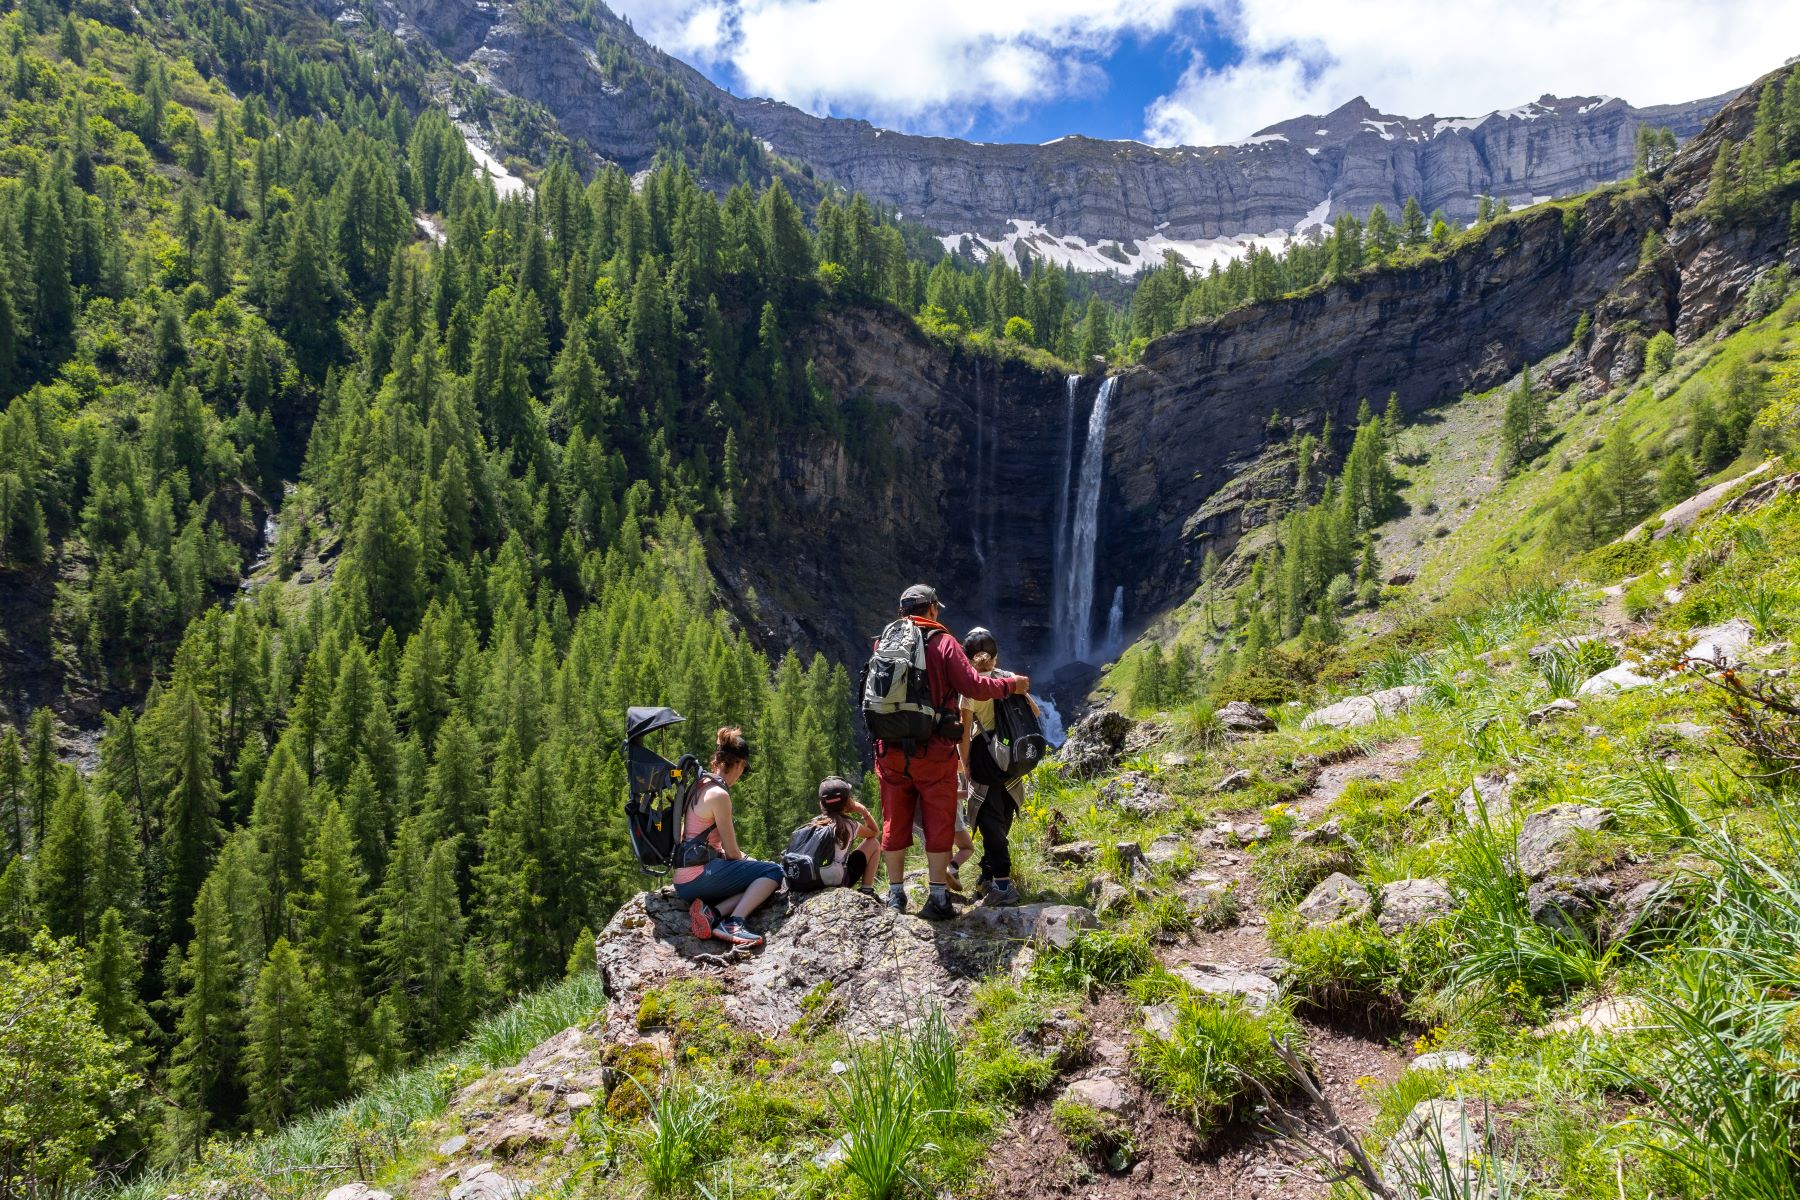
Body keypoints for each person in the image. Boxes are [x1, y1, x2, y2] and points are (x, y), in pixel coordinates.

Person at [875, 584, 1029, 921]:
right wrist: (1010, 685)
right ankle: (939, 898)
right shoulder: (942, 642)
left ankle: (896, 895)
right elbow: (974, 685)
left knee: (894, 821)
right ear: (931, 609)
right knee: (940, 821)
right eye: (937, 609)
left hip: (889, 751)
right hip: (933, 749)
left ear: (902, 612)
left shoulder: (883, 643)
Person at [673, 727, 783, 948]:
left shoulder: (701, 784)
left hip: (683, 877)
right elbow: (732, 852)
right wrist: (748, 862)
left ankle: (712, 913)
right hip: (698, 878)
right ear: (740, 765)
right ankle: (734, 922)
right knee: (772, 872)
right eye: (744, 768)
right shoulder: (720, 795)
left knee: (755, 884)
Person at [958, 627, 1031, 907]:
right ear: (995, 656)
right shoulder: (1010, 679)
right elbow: (1034, 711)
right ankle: (988, 876)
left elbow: (964, 735)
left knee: (990, 823)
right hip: (1013, 759)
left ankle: (1002, 884)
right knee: (1005, 814)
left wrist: (965, 766)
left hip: (987, 760)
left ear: (967, 658)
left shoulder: (971, 690)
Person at [811, 776, 881, 893]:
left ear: (821, 804)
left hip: (811, 879)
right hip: (833, 881)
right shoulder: (850, 825)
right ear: (848, 802)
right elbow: (874, 833)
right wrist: (863, 811)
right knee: (874, 843)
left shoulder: (813, 823)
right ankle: (867, 890)